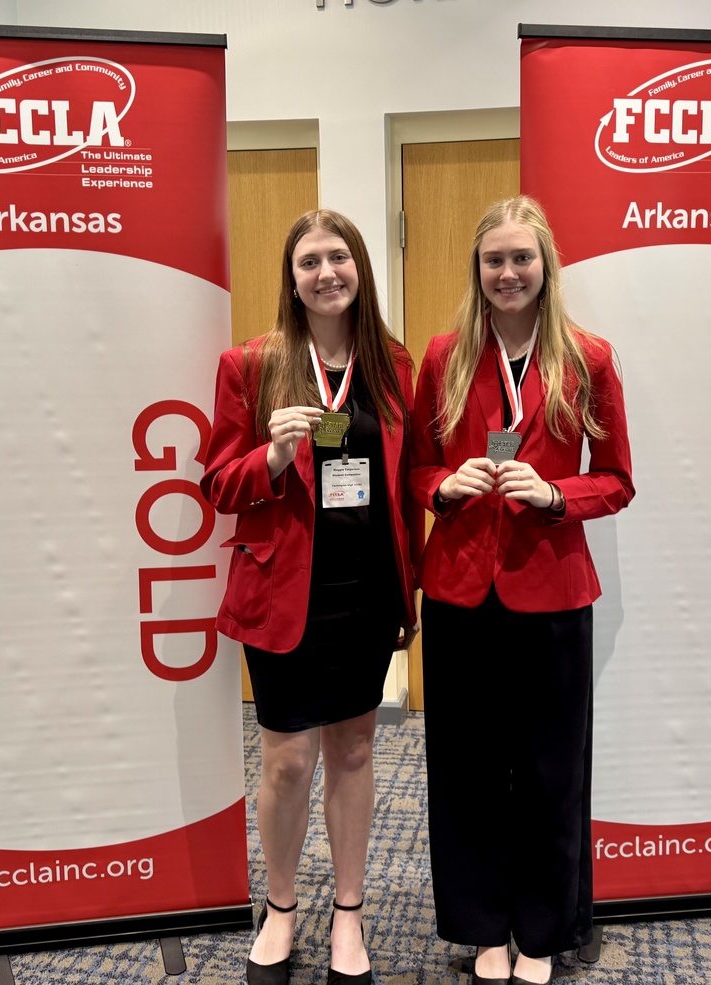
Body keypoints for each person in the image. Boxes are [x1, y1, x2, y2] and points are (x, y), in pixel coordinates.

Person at [408, 196, 634, 985]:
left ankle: (541, 928)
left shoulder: (589, 358)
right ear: (478, 269)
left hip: (553, 591)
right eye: (494, 259)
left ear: (546, 266)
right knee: (467, 767)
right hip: (462, 592)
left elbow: (617, 479)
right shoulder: (446, 356)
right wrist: (446, 483)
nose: (508, 272)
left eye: (521, 258)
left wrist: (556, 495)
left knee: (549, 767)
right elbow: (415, 469)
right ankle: (483, 925)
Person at [201, 209, 422, 985]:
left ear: (359, 266)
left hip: (365, 592)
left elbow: (402, 485)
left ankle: (350, 914)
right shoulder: (252, 364)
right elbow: (216, 482)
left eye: (338, 257)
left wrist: (411, 591)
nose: (326, 272)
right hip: (282, 592)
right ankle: (284, 906)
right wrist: (273, 453)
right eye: (309, 262)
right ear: (291, 280)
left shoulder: (392, 363)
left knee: (356, 749)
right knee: (289, 761)